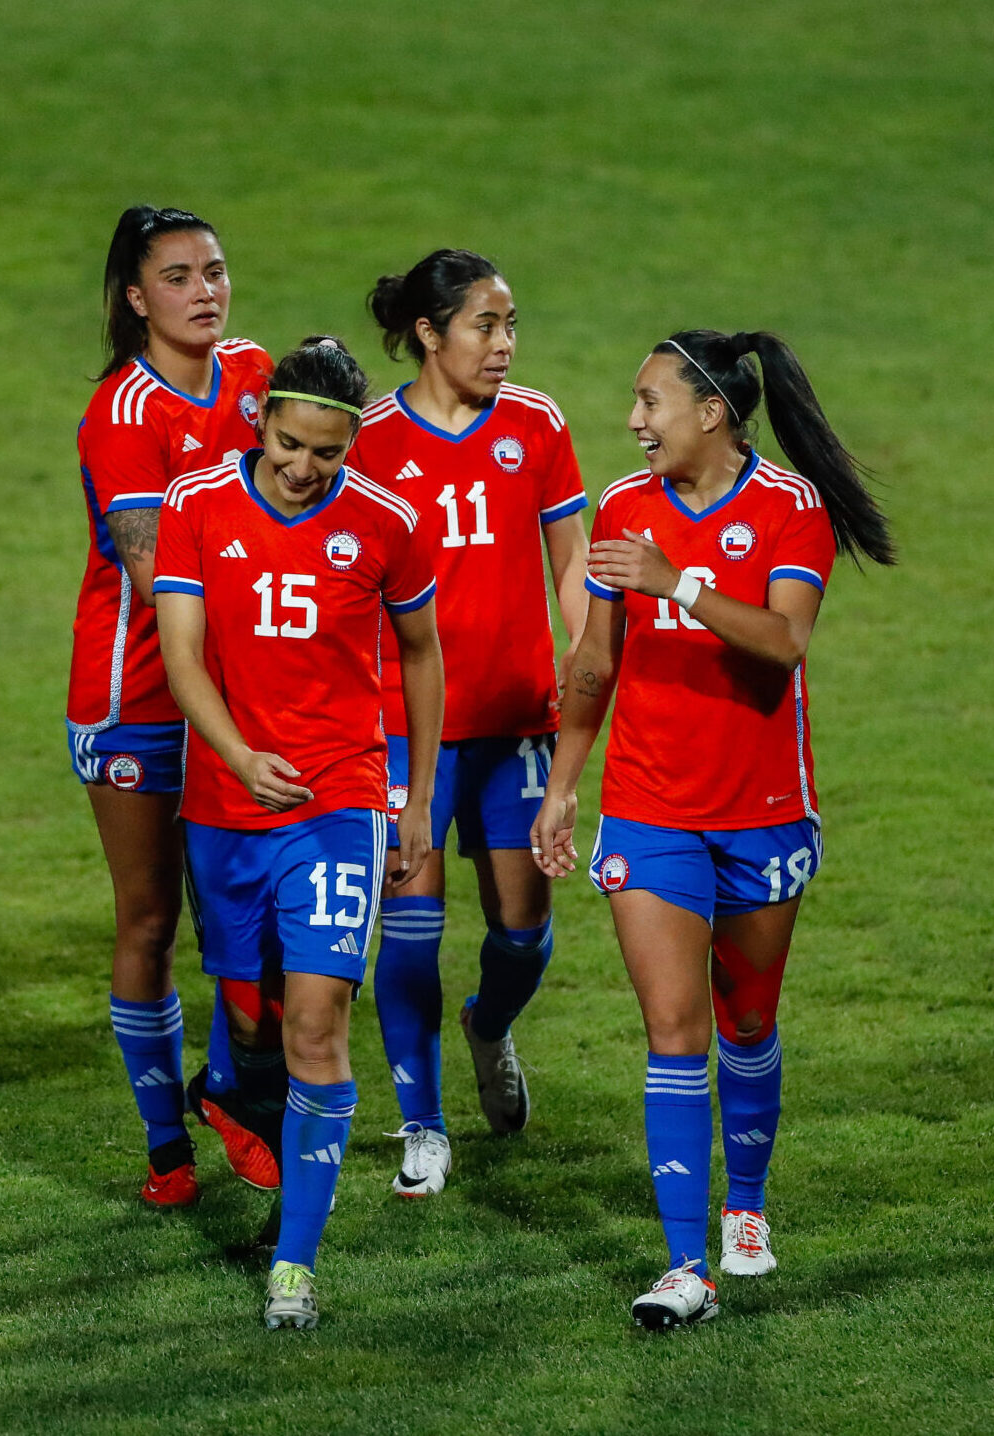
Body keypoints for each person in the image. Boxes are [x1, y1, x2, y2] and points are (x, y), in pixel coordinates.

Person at [532, 329, 894, 1330]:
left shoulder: (789, 508)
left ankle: (746, 1202)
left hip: (763, 811)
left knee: (746, 1020)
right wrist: (564, 784)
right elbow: (596, 660)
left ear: (711, 413)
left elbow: (782, 643)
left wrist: (676, 581)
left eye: (651, 402)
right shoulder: (625, 507)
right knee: (674, 1030)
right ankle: (685, 1265)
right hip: (650, 809)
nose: (634, 421)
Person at [153, 337, 441, 1329]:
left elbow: (420, 654)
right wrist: (237, 756)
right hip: (229, 804)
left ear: (352, 440)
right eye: (288, 443)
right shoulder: (195, 506)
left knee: (316, 1021)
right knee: (247, 1024)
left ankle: (294, 1265)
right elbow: (181, 655)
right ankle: (229, 1089)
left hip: (337, 797)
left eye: (326, 451)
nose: (303, 466)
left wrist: (415, 796)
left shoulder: (388, 523)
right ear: (260, 421)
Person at [352, 249, 588, 1197]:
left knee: (523, 929)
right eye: (485, 326)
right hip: (404, 731)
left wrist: (583, 653)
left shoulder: (535, 424)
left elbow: (569, 561)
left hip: (516, 720)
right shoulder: (366, 440)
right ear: (428, 332)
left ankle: (487, 1025)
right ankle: (422, 1125)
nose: (503, 345)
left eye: (510, 325)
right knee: (408, 928)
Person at [70, 206, 277, 1207]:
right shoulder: (123, 413)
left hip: (240, 690)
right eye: (180, 275)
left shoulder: (253, 374)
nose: (205, 289)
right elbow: (155, 575)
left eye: (216, 270)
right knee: (152, 918)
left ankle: (233, 1087)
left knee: (249, 909)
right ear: (136, 299)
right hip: (138, 698)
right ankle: (166, 1146)